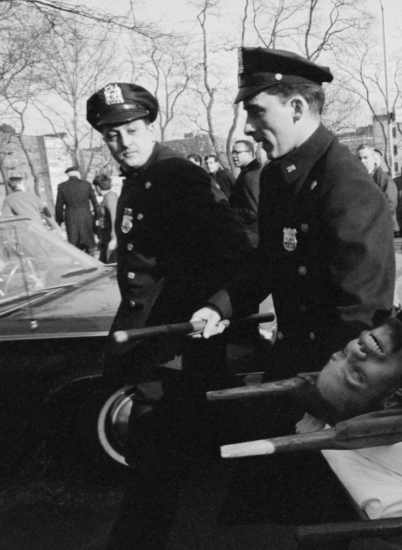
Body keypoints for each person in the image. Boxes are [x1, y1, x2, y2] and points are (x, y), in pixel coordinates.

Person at [86, 82, 252, 550]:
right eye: (112, 135)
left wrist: (203, 310)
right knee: (171, 467)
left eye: (132, 131)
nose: (123, 143)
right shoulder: (138, 180)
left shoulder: (178, 175)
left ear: (149, 126)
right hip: (152, 345)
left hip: (177, 345)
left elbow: (235, 251)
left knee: (154, 466)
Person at [192, 46, 395, 380]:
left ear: (297, 108)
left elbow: (360, 315)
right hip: (293, 363)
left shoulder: (347, 185)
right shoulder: (277, 176)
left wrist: (328, 398)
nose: (247, 127)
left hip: (332, 374)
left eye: (257, 112)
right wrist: (219, 307)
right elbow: (268, 262)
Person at [54, 165, 100, 256]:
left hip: (71, 217)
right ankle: (92, 261)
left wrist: (59, 220)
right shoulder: (87, 184)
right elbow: (95, 202)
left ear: (68, 175)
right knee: (89, 243)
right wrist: (97, 216)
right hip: (86, 216)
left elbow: (59, 205)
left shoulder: (62, 186)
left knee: (73, 243)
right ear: (78, 173)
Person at [357, 144, 398, 233]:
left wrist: (375, 220)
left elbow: (390, 203)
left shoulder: (383, 178)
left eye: (365, 157)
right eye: (359, 158)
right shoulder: (359, 177)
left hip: (380, 226)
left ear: (373, 158)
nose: (362, 161)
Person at [229, 139, 262, 247]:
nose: (233, 156)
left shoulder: (250, 176)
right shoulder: (247, 172)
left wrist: (229, 212)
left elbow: (253, 211)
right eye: (232, 153)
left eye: (237, 152)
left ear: (249, 153)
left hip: (252, 235)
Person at [93, 174, 119, 263]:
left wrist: (114, 238)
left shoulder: (110, 199)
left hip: (110, 237)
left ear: (97, 187)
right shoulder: (107, 198)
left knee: (111, 265)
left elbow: (114, 218)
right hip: (105, 236)